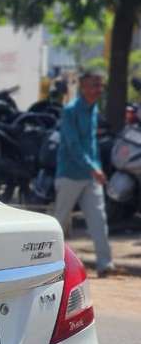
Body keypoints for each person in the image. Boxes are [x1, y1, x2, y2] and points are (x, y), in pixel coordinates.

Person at [54, 71, 117, 276]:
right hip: (70, 174)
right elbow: (73, 145)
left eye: (100, 85)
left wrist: (95, 167)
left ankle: (105, 265)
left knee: (99, 220)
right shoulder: (71, 111)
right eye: (94, 85)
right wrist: (93, 167)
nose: (98, 90)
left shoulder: (93, 108)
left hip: (90, 175)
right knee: (59, 223)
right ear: (83, 87)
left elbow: (91, 144)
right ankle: (51, 265)